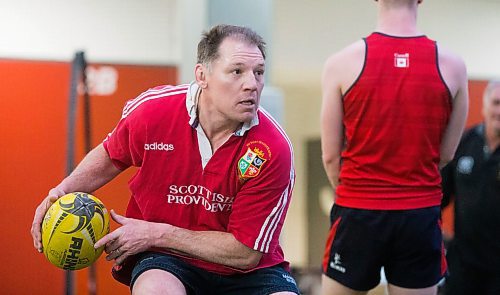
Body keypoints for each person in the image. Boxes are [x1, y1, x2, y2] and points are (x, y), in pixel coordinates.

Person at [31, 24, 299, 295]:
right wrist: (61, 191)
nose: (252, 84)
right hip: (169, 260)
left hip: (249, 272)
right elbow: (111, 156)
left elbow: (245, 253)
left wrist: (155, 234)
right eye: (237, 71)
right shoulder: (154, 111)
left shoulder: (273, 148)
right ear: (202, 75)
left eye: (259, 73)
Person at [320, 0, 469, 294]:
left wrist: (361, 192)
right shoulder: (451, 64)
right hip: (419, 214)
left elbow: (330, 156)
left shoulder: (341, 62)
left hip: (358, 210)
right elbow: (447, 154)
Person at [441, 80, 500, 295]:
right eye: (496, 103)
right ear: (484, 106)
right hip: (462, 266)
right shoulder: (463, 142)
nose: (499, 111)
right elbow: (438, 197)